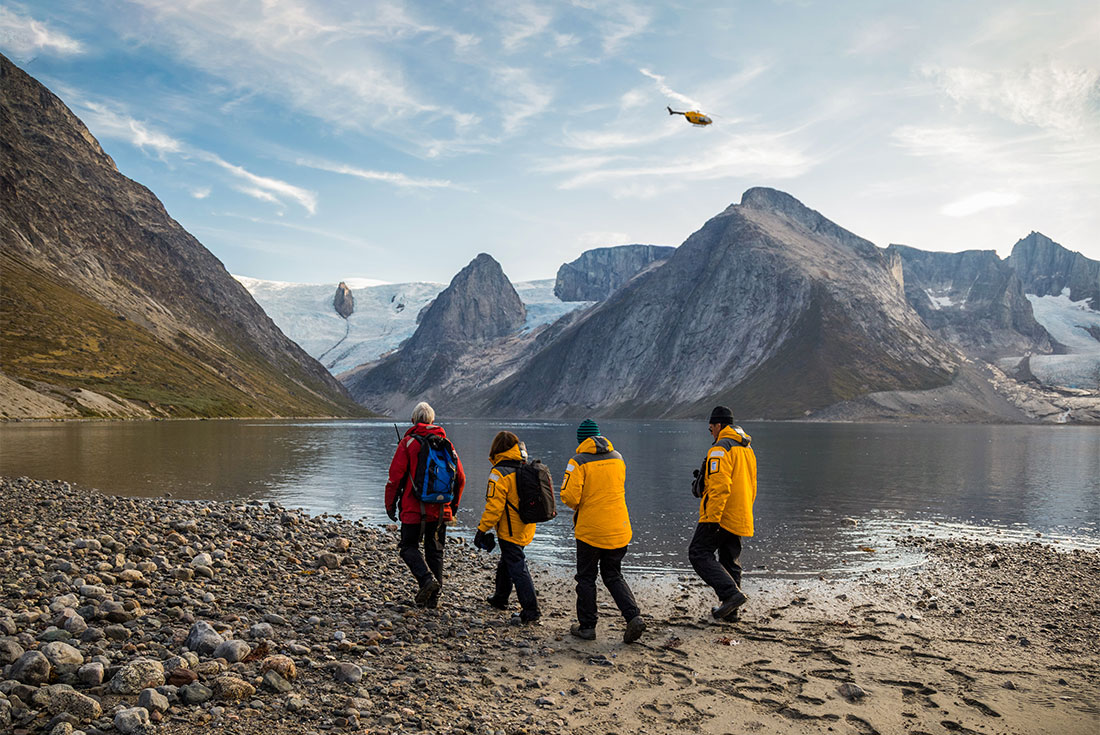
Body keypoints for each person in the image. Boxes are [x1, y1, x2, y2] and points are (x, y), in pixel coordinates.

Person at [560, 419, 646, 643]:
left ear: (581, 440)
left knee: (586, 578)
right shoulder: (618, 458)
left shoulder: (577, 462)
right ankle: (633, 616)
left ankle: (587, 627)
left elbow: (570, 497)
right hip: (618, 527)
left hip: (591, 531)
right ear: (599, 437)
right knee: (613, 574)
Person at [384, 401, 466, 608]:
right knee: (435, 550)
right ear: (432, 421)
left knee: (408, 547)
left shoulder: (408, 443)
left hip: (413, 509)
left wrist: (390, 506)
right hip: (441, 510)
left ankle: (426, 580)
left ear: (413, 421)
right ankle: (433, 601)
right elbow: (461, 478)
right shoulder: (446, 443)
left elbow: (395, 479)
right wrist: (453, 506)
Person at [689, 405, 757, 621]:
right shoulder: (747, 448)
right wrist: (745, 508)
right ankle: (731, 613)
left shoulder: (720, 449)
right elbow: (752, 484)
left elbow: (720, 486)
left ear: (719, 425)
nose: (711, 432)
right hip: (740, 511)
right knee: (730, 559)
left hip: (721, 513)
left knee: (699, 553)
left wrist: (712, 518)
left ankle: (731, 594)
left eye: (711, 429)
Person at [474, 431, 540, 623]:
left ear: (496, 449)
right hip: (526, 525)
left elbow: (494, 508)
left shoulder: (499, 472)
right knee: (507, 562)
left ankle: (531, 609)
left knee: (517, 567)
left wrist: (482, 529)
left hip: (510, 529)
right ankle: (500, 598)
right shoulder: (524, 467)